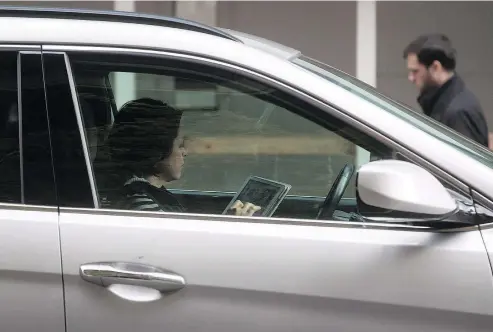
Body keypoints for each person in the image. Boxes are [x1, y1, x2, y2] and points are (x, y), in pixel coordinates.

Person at [96, 97, 261, 216]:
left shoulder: (146, 193)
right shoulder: (141, 204)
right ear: (157, 149)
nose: (185, 152)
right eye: (180, 145)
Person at [403, 34, 489, 147]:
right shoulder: (445, 102)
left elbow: (462, 163)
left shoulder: (458, 113)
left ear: (435, 67)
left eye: (415, 71)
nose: (411, 78)